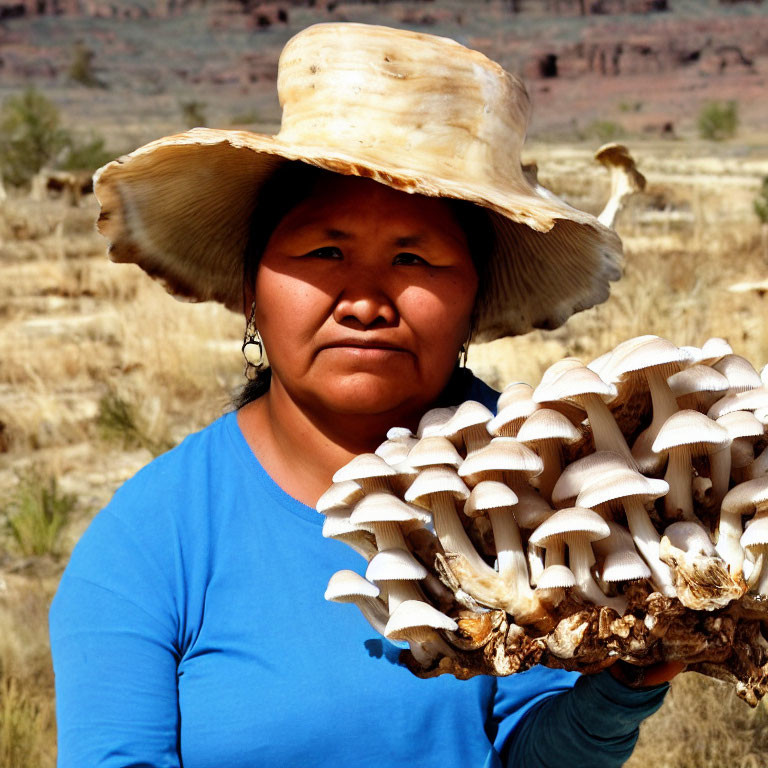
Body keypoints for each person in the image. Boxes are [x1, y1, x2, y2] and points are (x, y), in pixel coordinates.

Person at [49, 22, 681, 768]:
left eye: (414, 257)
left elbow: (529, 751)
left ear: (475, 301)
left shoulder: (540, 494)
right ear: (252, 291)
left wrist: (619, 691)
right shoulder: (154, 541)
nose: (366, 300)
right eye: (325, 251)